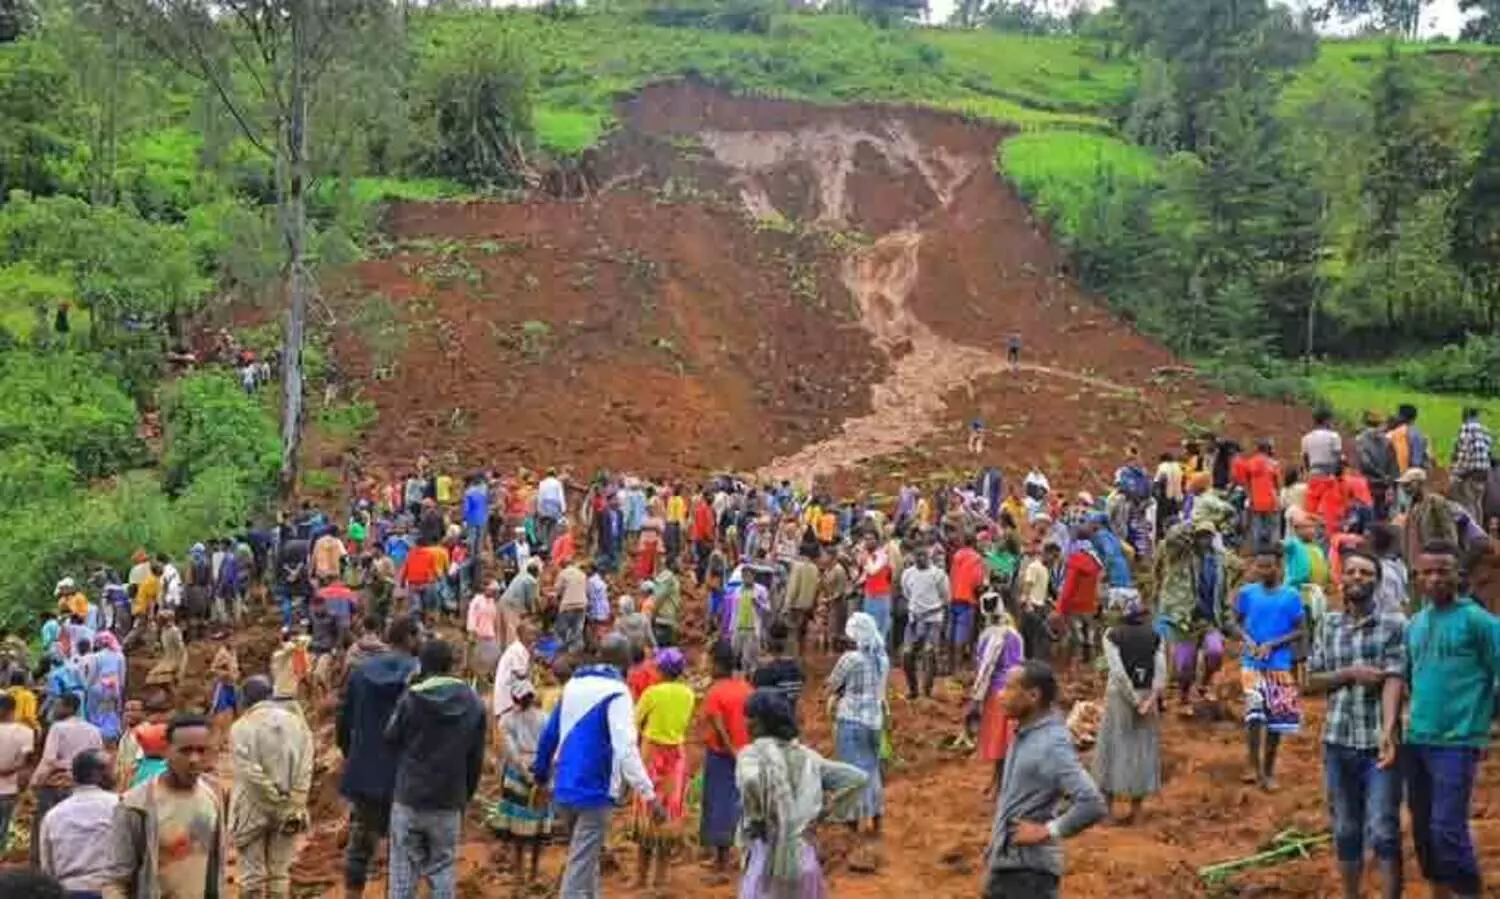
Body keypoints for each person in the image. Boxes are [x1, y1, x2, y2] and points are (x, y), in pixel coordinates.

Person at [1398, 541, 1500, 899]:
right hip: (1417, 738)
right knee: (1423, 828)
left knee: (1447, 828)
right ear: (1418, 578)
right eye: (1427, 572)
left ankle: (1469, 892)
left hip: (1458, 741)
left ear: (1458, 575)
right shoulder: (1415, 625)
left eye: (1443, 571)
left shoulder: (1480, 622)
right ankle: (1440, 891)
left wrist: (1487, 720)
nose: (1435, 578)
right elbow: (1408, 680)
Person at [1306, 549, 1406, 899]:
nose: (1358, 578)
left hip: (1378, 741)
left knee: (1383, 829)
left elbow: (1396, 677)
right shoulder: (1328, 624)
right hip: (1336, 740)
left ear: (1377, 581)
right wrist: (1349, 674)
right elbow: (1310, 681)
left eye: (1366, 573)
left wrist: (1389, 730)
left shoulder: (1395, 625)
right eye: (1351, 572)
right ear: (1342, 578)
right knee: (1346, 829)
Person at [533, 634, 662, 899]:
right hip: (595, 790)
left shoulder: (572, 686)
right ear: (624, 662)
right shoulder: (618, 693)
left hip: (564, 788)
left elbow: (549, 734)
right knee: (579, 866)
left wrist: (541, 776)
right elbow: (626, 748)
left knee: (585, 858)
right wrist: (648, 793)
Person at [982, 661, 1106, 899]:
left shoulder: (1051, 744)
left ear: (1033, 696)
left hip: (1029, 877)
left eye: (1009, 688)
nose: (1000, 695)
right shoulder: (1027, 733)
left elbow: (1092, 802)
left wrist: (1048, 829)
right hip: (1009, 867)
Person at [735, 690, 868, 898]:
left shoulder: (752, 755)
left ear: (760, 724)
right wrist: (825, 813)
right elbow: (858, 779)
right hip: (803, 856)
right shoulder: (809, 758)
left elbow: (751, 780)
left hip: (768, 860)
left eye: (749, 719)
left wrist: (758, 815)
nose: (746, 724)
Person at [384, 639, 488, 899]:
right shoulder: (473, 702)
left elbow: (390, 737)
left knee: (403, 874)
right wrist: (466, 795)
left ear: (422, 664)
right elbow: (476, 758)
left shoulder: (411, 698)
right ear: (451, 665)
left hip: (410, 798)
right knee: (442, 872)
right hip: (449, 800)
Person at [336, 615, 421, 898]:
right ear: (408, 638)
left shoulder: (361, 671)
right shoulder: (418, 674)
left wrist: (353, 755)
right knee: (403, 848)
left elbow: (344, 721)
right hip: (407, 774)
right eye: (417, 635)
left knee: (360, 844)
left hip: (366, 772)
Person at [102, 715, 228, 899]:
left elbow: (216, 868)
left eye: (202, 750)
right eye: (185, 751)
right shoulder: (136, 805)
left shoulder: (213, 796)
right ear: (167, 751)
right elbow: (116, 881)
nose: (194, 758)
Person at [230, 676, 314, 899]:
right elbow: (306, 766)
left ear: (244, 699)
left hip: (252, 807)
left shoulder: (241, 727)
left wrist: (272, 799)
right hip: (290, 809)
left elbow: (248, 773)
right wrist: (294, 800)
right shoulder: (298, 724)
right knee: (280, 872)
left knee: (252, 875)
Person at [1236, 545, 1306, 791]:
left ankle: (1268, 768)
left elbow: (1299, 630)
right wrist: (1249, 641)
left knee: (1276, 722)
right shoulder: (1247, 593)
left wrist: (1273, 645)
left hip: (1279, 664)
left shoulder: (1291, 596)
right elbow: (1237, 623)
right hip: (1252, 663)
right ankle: (1253, 765)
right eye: (1259, 566)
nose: (1263, 570)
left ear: (1280, 566)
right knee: (1254, 715)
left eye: (1269, 566)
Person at [1093, 597, 1165, 824]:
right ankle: (1137, 811)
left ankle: (1108, 809)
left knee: (1112, 746)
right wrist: (1149, 699)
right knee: (1142, 749)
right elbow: (1161, 672)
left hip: (1120, 697)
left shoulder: (1111, 635)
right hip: (1147, 696)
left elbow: (1118, 672)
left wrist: (1133, 700)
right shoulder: (1156, 636)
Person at [631, 648, 696, 889]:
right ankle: (660, 878)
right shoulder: (688, 694)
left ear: (661, 670)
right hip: (676, 756)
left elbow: (635, 722)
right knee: (669, 814)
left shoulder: (652, 693)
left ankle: (640, 877)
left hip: (652, 755)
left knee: (646, 812)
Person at [825, 612, 888, 840]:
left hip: (851, 719)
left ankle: (851, 822)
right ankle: (876, 817)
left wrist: (838, 693)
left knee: (850, 770)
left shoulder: (850, 659)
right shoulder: (882, 659)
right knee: (871, 769)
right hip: (875, 720)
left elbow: (831, 685)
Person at [31, 692, 103, 866]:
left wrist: (35, 780)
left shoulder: (58, 728)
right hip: (83, 783)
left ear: (69, 708)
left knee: (45, 825)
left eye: (58, 705)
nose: (54, 708)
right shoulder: (94, 730)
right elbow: (99, 756)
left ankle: (43, 866)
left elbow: (49, 759)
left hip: (57, 783)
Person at [700, 641, 751, 877]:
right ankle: (740, 853)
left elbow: (719, 727)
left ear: (718, 664)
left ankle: (720, 859)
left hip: (722, 755)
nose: (707, 664)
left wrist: (732, 752)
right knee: (738, 802)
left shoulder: (714, 692)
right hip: (746, 753)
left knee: (719, 804)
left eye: (709, 660)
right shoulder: (746, 688)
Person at [491, 680, 550, 885]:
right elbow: (551, 748)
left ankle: (519, 873)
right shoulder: (545, 718)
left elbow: (511, 753)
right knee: (538, 828)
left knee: (517, 831)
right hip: (541, 772)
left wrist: (524, 773)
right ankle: (533, 871)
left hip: (518, 776)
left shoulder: (507, 720)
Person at [38, 749, 116, 896]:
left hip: (68, 890)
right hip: (111, 890)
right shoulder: (120, 806)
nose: (116, 772)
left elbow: (47, 866)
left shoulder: (53, 815)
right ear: (99, 774)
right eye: (112, 768)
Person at [971, 598, 1024, 798]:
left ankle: (1000, 785)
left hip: (996, 693)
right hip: (1016, 690)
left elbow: (983, 668)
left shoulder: (988, 636)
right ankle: (999, 782)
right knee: (1008, 740)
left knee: (999, 741)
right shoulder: (1015, 636)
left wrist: (976, 698)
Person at [900, 547, 949, 700]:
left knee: (929, 652)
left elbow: (946, 597)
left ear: (929, 556)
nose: (920, 558)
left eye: (923, 555)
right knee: (907, 654)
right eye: (917, 555)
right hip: (914, 619)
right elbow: (907, 593)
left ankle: (926, 691)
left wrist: (934, 610)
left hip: (933, 619)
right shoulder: (907, 574)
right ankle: (913, 689)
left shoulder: (938, 575)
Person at [1303, 409, 1345, 539]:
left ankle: (1311, 539)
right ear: (1327, 420)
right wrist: (1336, 476)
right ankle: (1327, 544)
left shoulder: (1306, 438)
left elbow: (1306, 459)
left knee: (1312, 512)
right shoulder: (1334, 436)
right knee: (1329, 514)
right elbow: (1338, 459)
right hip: (1329, 478)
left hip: (1313, 477)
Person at [1450, 407, 1493, 522]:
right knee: (1477, 503)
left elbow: (1463, 451)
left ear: (1465, 416)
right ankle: (1479, 530)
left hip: (1471, 471)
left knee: (1467, 502)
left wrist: (1456, 472)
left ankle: (1470, 531)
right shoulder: (1485, 430)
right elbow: (1488, 452)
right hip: (1484, 472)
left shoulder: (1466, 427)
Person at [948, 535, 984, 668]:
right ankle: (958, 668)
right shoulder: (976, 558)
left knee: (951, 631)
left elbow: (951, 575)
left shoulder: (957, 555)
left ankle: (949, 665)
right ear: (974, 543)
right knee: (961, 634)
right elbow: (977, 581)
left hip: (953, 596)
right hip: (967, 599)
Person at [0, 693, 31, 851]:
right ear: (14, 709)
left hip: (11, 787)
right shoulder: (25, 732)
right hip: (11, 788)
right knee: (5, 827)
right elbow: (25, 764)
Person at [1244, 439, 1283, 552]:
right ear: (1268, 449)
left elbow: (1247, 483)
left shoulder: (1249, 463)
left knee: (1257, 526)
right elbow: (1278, 485)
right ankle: (1273, 551)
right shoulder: (1273, 464)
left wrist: (1250, 497)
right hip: (1271, 501)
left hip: (1256, 501)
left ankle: (1258, 552)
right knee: (1274, 527)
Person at [784, 549, 820, 657]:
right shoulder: (814, 568)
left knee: (792, 634)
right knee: (802, 634)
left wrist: (786, 605)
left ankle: (792, 659)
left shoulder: (797, 566)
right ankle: (801, 658)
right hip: (807, 605)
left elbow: (793, 587)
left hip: (795, 605)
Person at [466, 580, 501, 685]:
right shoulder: (477, 601)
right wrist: (472, 632)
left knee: (494, 656)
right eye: (492, 591)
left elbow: (494, 620)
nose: (494, 593)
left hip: (490, 635)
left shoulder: (493, 602)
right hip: (478, 635)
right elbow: (472, 617)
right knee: (476, 661)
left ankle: (488, 677)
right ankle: (475, 681)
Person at [650, 561, 682, 648]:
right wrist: (653, 614)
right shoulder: (669, 578)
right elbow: (660, 598)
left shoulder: (668, 578)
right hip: (666, 619)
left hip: (663, 618)